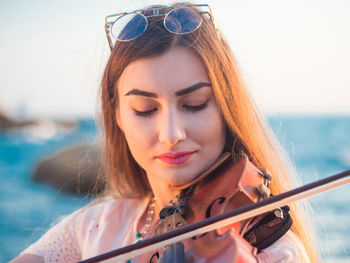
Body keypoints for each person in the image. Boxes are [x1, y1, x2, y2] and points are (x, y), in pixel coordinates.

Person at [11, 3, 318, 263]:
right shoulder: (94, 227)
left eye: (195, 104)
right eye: (145, 109)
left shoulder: (274, 251)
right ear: (117, 115)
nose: (171, 133)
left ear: (226, 107)